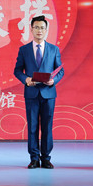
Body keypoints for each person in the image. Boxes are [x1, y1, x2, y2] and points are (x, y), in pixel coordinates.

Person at [14, 16, 64, 169]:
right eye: (36, 27)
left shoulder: (54, 49)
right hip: (31, 93)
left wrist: (53, 81)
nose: (39, 30)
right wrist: (26, 79)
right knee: (33, 127)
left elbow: (60, 70)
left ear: (46, 30)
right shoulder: (24, 50)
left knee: (47, 127)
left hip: (48, 93)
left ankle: (46, 158)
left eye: (42, 28)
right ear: (31, 29)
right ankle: (34, 158)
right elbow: (17, 70)